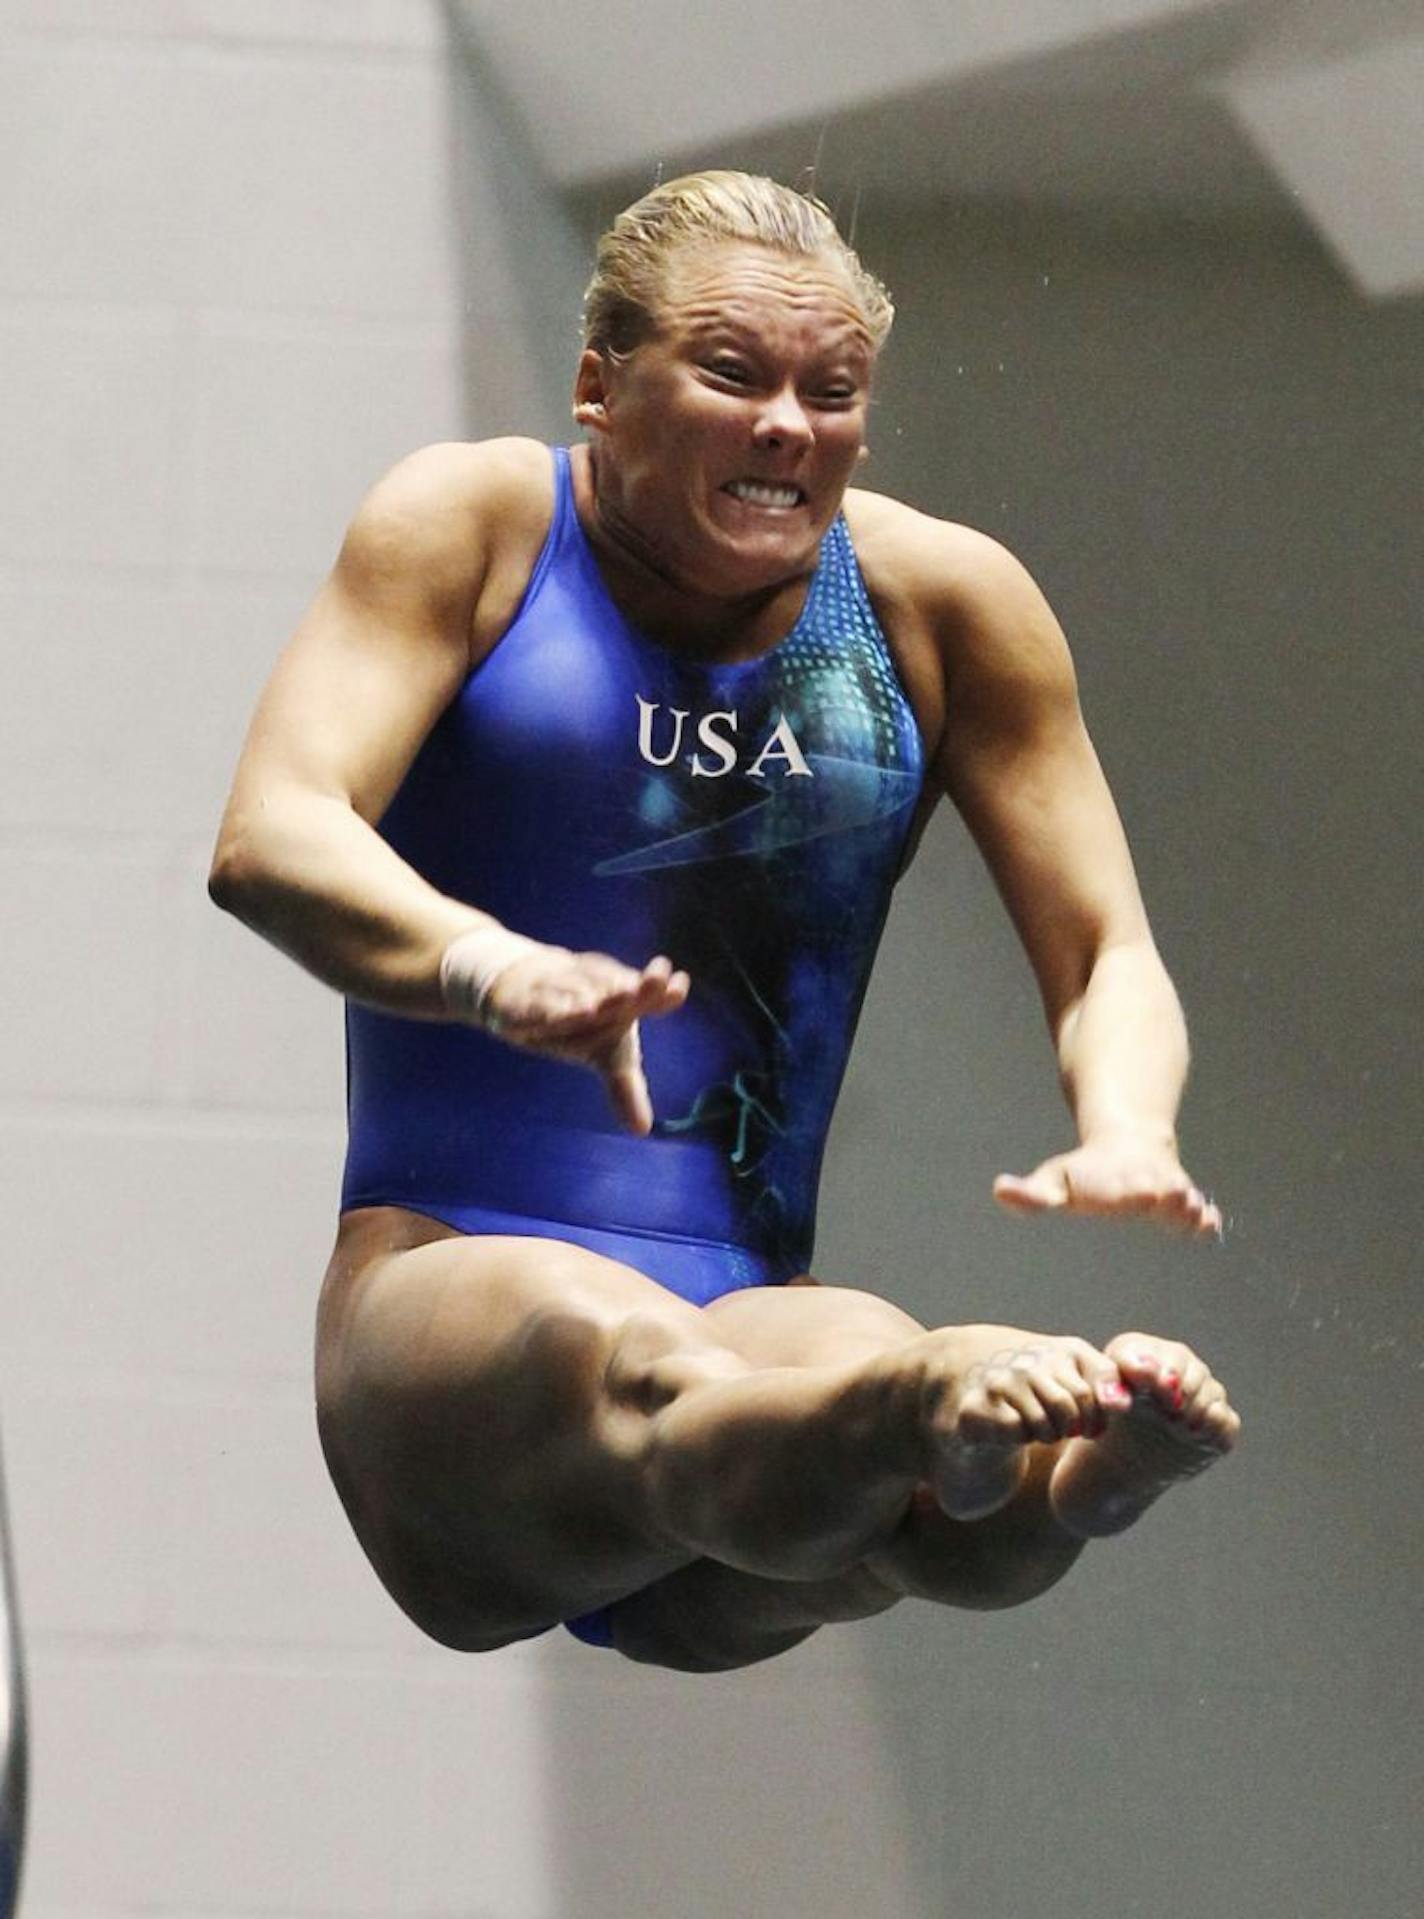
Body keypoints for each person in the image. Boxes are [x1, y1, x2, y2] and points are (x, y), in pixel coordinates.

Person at [209, 171, 1239, 1673]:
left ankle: (1089, 1474)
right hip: (447, 1315)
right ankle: (921, 1397)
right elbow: (274, 832)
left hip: (752, 1329)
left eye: (832, 391)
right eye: (733, 374)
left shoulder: (937, 606)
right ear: (598, 386)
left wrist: (1130, 1121)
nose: (787, 427)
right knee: (631, 1368)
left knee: (887, 1515)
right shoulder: (479, 525)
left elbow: (1106, 952)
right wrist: (489, 969)